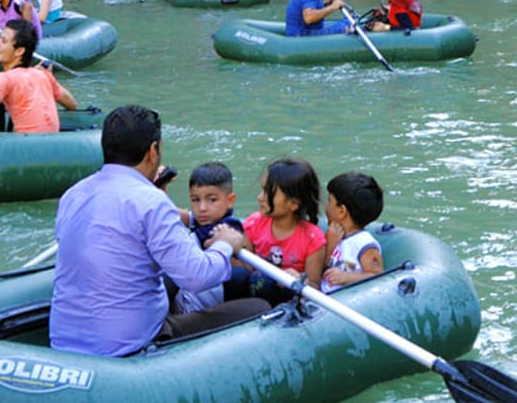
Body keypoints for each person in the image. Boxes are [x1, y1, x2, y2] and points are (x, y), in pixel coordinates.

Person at [51, 106, 266, 356]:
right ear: (153, 151)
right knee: (258, 307)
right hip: (129, 343)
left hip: (63, 339)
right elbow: (196, 277)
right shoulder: (151, 201)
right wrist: (226, 243)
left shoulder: (72, 194)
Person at [244, 157, 328, 301]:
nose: (259, 197)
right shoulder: (254, 224)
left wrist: (299, 279)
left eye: (267, 192)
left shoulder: (312, 239)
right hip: (255, 295)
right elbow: (245, 269)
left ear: (293, 204)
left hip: (285, 299)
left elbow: (314, 289)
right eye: (262, 190)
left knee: (264, 280)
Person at [174, 162, 251, 313]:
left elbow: (209, 241)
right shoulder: (205, 219)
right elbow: (181, 215)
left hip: (209, 300)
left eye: (212, 200)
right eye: (195, 200)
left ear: (230, 200)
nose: (202, 208)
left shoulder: (226, 227)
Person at [321, 171, 386, 293]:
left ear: (341, 211)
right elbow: (319, 269)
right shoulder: (333, 235)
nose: (326, 206)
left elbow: (378, 276)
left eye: (330, 201)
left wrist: (348, 277)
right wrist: (330, 246)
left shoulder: (363, 243)